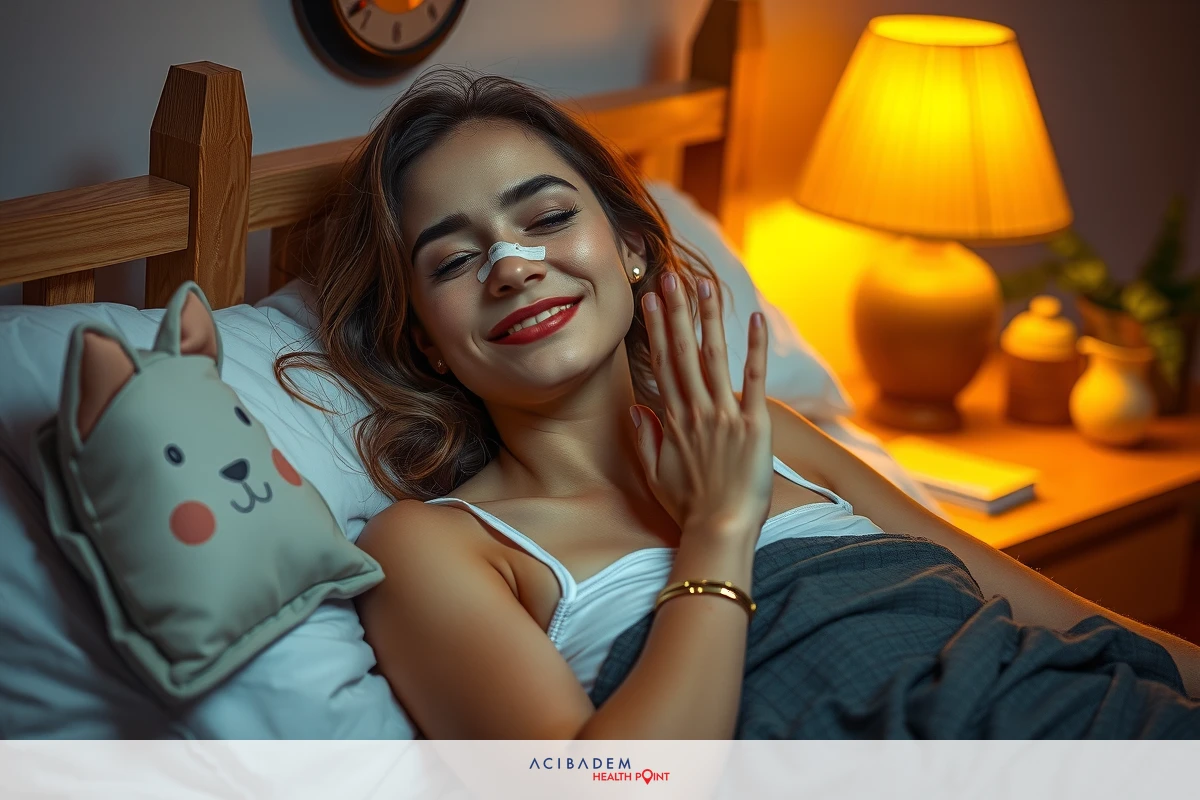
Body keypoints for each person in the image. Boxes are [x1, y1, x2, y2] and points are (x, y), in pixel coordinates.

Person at [277, 67, 1200, 740]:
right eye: (453, 258)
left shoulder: (770, 431)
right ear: (425, 339)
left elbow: (1064, 620)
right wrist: (718, 528)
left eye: (548, 217)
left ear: (632, 249)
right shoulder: (433, 549)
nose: (514, 265)